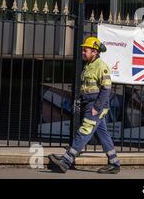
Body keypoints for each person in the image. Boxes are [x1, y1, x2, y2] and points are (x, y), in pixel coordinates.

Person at [48, 36, 120, 174]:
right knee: (103, 134)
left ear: (94, 51)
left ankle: (66, 161)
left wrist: (96, 107)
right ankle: (114, 163)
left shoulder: (101, 66)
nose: (83, 52)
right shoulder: (88, 66)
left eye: (85, 50)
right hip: (89, 104)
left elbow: (106, 89)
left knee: (84, 131)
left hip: (95, 105)